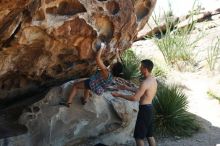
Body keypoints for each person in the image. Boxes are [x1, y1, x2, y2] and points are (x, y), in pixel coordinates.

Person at [60, 43, 123, 107]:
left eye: (115, 63)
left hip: (93, 83)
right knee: (87, 87)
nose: (114, 62)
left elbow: (97, 58)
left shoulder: (106, 71)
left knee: (76, 86)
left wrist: (102, 47)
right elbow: (119, 63)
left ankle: (68, 103)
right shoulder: (114, 75)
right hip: (98, 88)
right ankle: (84, 100)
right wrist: (117, 52)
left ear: (114, 67)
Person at [111, 59, 157, 146]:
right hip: (150, 108)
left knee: (138, 137)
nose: (140, 69)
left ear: (145, 69)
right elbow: (143, 91)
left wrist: (119, 95)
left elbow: (134, 98)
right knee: (149, 135)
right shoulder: (153, 80)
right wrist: (126, 88)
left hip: (144, 111)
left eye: (141, 67)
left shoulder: (145, 82)